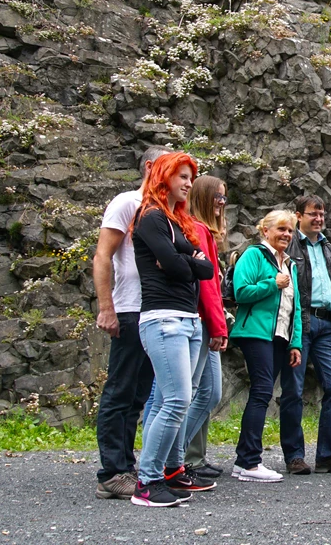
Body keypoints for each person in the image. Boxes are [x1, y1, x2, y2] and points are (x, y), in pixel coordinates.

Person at [130, 152, 217, 507]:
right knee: (178, 398)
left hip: (187, 320)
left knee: (172, 399)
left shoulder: (174, 222)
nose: (188, 183)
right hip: (164, 319)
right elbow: (181, 268)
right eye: (182, 176)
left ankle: (164, 473)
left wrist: (186, 261)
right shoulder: (150, 218)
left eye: (190, 177)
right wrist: (187, 262)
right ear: (164, 177)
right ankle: (147, 482)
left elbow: (206, 268)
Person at [93, 146, 171, 500]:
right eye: (171, 167)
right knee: (121, 389)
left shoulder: (164, 210)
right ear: (152, 167)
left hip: (156, 310)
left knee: (140, 393)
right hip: (129, 309)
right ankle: (112, 471)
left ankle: (125, 463)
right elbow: (103, 255)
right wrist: (106, 307)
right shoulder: (127, 202)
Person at [283, 195, 331, 474]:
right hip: (300, 323)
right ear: (298, 215)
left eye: (322, 214)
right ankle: (294, 455)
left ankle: (327, 454)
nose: (318, 218)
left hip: (327, 325)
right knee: (293, 390)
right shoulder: (290, 243)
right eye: (313, 214)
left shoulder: (328, 248)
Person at [229, 209, 303, 483]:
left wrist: (295, 343)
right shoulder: (254, 255)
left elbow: (294, 307)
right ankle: (248, 462)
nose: (286, 234)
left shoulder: (290, 265)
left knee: (263, 393)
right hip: (255, 333)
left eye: (290, 230)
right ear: (265, 231)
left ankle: (244, 459)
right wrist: (272, 283)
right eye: (281, 229)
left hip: (279, 337)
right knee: (261, 393)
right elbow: (241, 292)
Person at [182, 175, 231, 482]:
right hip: (202, 321)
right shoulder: (197, 230)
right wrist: (218, 325)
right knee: (199, 393)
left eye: (224, 199)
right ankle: (171, 458)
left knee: (208, 392)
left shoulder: (206, 232)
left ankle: (184, 458)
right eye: (217, 198)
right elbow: (207, 284)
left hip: (207, 320)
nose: (221, 204)